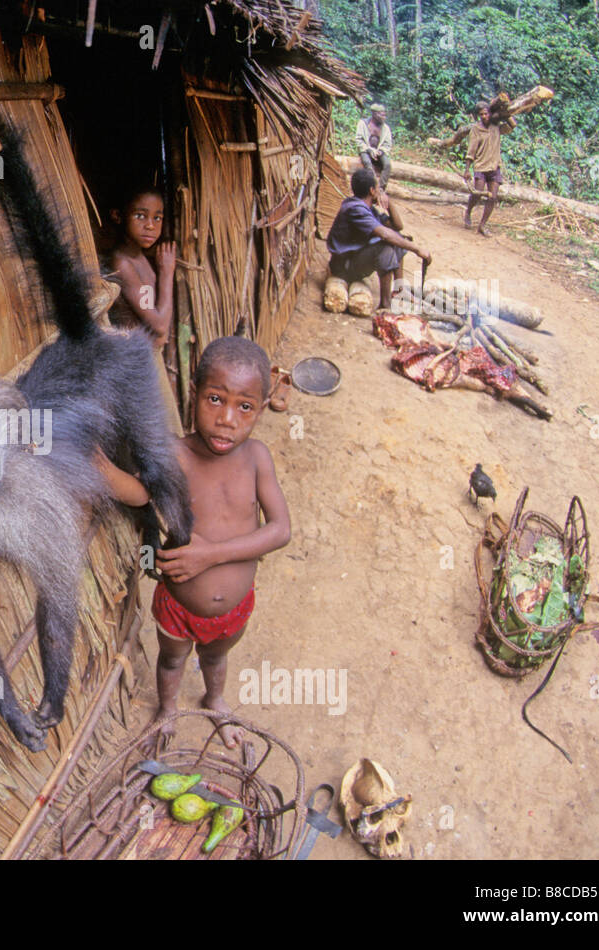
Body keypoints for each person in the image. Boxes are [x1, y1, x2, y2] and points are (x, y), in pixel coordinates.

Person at [96, 337, 291, 747]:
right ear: (194, 394)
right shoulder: (176, 455)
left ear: (260, 409)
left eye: (245, 407)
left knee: (217, 657)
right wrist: (100, 467)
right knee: (172, 659)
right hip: (180, 606)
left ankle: (214, 698)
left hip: (236, 607)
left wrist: (210, 555)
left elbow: (280, 530)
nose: (227, 419)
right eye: (215, 399)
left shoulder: (257, 457)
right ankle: (168, 708)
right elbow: (140, 493)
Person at [326, 167, 431, 311]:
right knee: (386, 247)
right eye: (377, 187)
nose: (379, 190)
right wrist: (418, 249)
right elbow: (385, 235)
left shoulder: (367, 208)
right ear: (371, 191)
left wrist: (389, 203)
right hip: (344, 267)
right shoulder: (355, 209)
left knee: (399, 238)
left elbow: (397, 226)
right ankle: (385, 305)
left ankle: (399, 289)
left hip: (355, 260)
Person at [105, 186, 175, 345]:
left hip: (148, 358)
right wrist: (166, 273)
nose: (150, 225)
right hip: (135, 360)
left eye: (157, 218)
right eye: (140, 216)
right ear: (117, 216)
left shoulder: (140, 258)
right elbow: (159, 325)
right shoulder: (122, 264)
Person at [463, 100, 516, 237]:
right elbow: (471, 150)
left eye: (486, 114)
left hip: (494, 167)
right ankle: (468, 212)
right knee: (477, 193)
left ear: (490, 113)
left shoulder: (496, 127)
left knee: (492, 197)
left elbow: (513, 125)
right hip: (481, 166)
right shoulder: (476, 129)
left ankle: (482, 225)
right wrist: (467, 169)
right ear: (478, 116)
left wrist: (505, 113)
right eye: (481, 114)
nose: (484, 117)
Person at [355, 104, 393, 189]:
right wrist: (369, 150)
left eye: (385, 115)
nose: (384, 117)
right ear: (374, 114)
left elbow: (388, 144)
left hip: (379, 151)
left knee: (387, 165)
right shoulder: (363, 124)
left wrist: (381, 151)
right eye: (382, 115)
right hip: (366, 150)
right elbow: (359, 140)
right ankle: (373, 186)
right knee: (367, 163)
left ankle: (381, 188)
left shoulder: (386, 128)